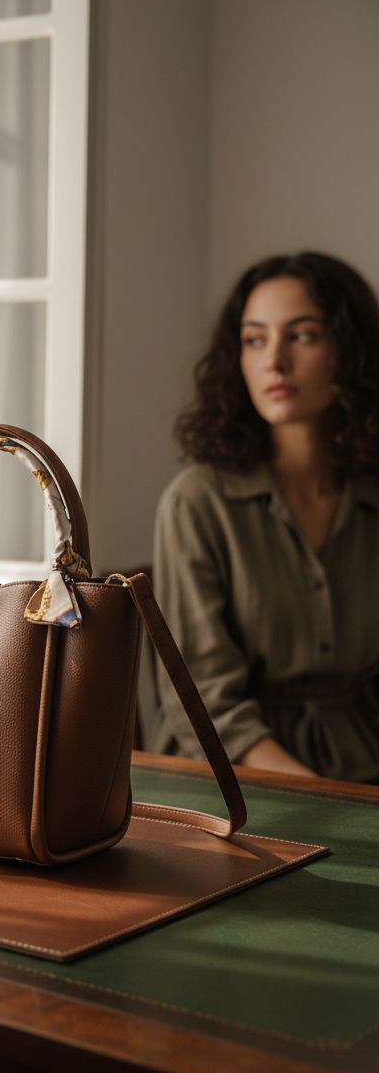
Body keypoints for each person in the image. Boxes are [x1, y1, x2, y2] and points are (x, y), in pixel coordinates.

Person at [151, 251, 379, 782]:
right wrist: (322, 795)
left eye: (302, 336)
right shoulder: (197, 503)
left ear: (350, 351)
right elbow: (203, 700)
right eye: (254, 340)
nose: (274, 361)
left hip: (362, 767)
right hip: (231, 780)